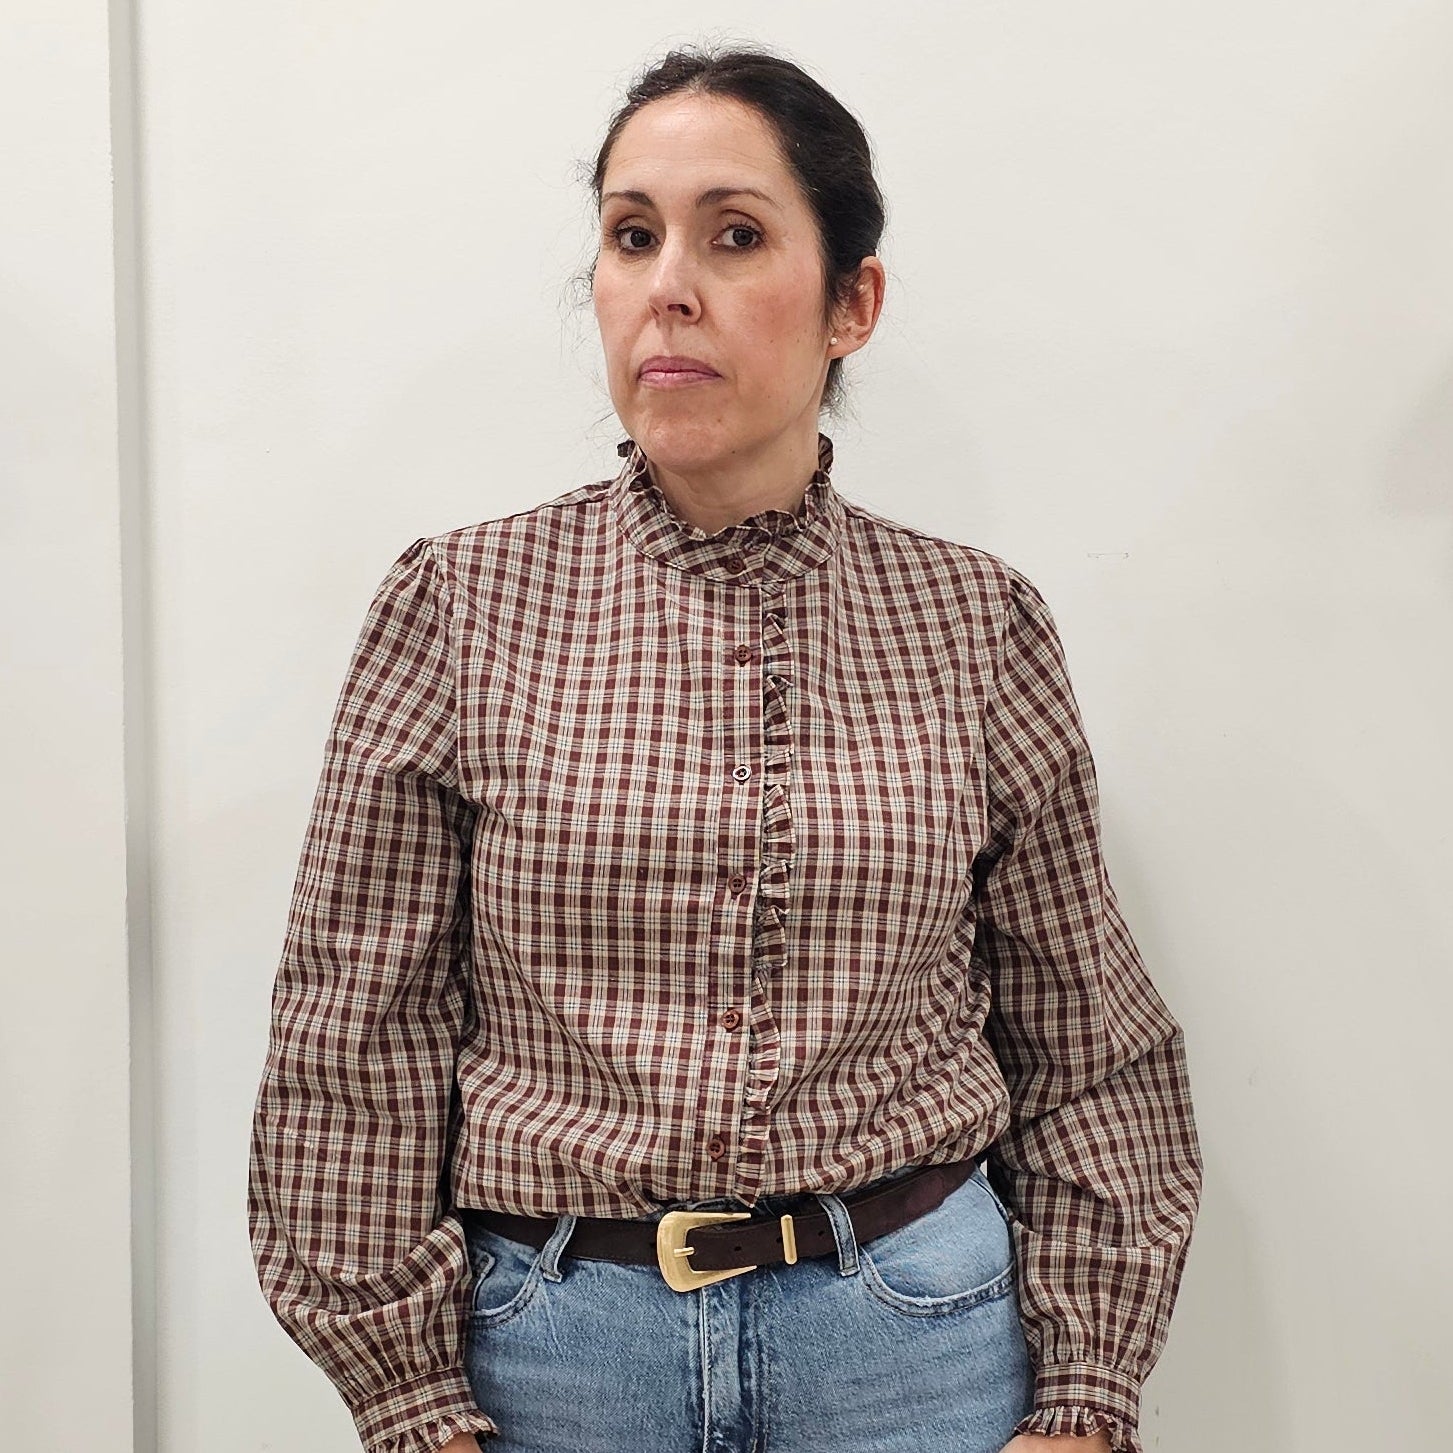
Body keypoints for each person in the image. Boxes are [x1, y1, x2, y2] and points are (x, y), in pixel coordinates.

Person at [248, 44, 1202, 1453]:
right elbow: (353, 1033)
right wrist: (406, 1400)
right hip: (550, 1359)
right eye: (631, 236)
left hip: (913, 1349)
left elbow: (1086, 1036)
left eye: (735, 234)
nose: (667, 286)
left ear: (851, 302)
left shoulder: (975, 620)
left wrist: (1084, 1403)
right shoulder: (459, 603)